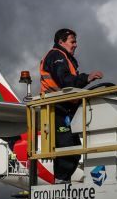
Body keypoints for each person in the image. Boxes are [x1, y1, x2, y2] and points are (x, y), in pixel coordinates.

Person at [39, 28, 103, 181]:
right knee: (67, 148)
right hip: (56, 108)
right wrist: (87, 78)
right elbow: (65, 81)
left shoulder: (65, 58)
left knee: (73, 150)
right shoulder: (57, 56)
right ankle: (61, 183)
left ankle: (63, 182)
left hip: (64, 109)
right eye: (72, 42)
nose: (75, 45)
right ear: (61, 42)